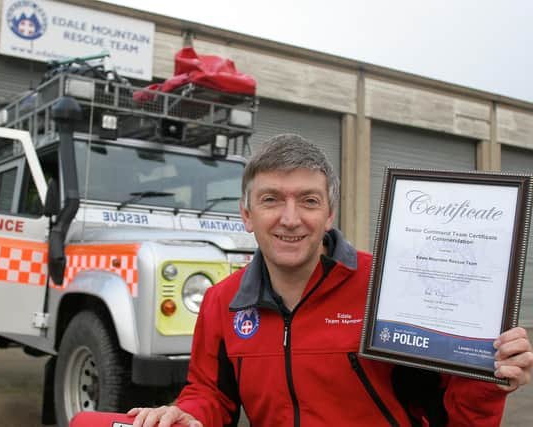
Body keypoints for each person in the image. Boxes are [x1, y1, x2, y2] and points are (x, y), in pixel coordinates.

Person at [128, 134, 533, 427]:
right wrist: (189, 414)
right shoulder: (222, 302)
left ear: (329, 214)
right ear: (247, 214)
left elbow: (452, 408)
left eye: (308, 200)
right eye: (271, 199)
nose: (290, 219)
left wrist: (487, 376)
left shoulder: (390, 285)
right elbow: (211, 393)